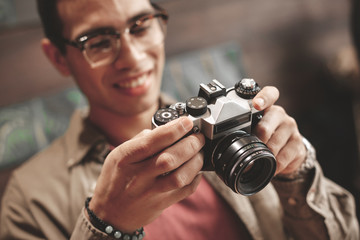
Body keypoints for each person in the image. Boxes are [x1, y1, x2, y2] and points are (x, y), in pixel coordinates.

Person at [0, 0, 358, 239]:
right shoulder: (30, 199)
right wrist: (105, 225)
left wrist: (297, 175)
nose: (133, 57)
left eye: (140, 26)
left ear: (161, 25)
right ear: (59, 58)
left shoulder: (233, 125)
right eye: (98, 41)